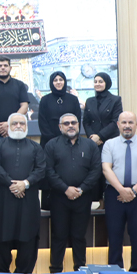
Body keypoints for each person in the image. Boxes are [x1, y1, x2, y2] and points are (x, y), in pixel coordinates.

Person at [43, 113, 102, 273]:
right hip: (59, 197)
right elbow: (49, 171)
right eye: (66, 123)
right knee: (58, 236)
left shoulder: (90, 145)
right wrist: (65, 189)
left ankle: (80, 271)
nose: (70, 126)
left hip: (83, 197)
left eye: (73, 123)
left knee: (79, 236)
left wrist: (81, 189)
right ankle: (55, 272)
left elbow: (96, 170)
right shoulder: (51, 145)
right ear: (60, 127)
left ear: (78, 125)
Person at [0, 114, 46, 274]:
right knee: (0, 236)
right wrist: (13, 185)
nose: (18, 126)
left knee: (28, 238)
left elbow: (41, 170)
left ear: (27, 126)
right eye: (14, 123)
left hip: (28, 202)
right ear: (8, 126)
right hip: (3, 202)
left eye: (22, 123)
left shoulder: (36, 147)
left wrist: (25, 184)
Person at [101, 111, 137, 272]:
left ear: (136, 125)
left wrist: (132, 191)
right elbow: (106, 169)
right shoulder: (109, 144)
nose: (127, 126)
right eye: (124, 122)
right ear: (118, 125)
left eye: (130, 122)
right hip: (114, 194)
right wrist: (121, 190)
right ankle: (115, 273)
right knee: (114, 236)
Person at [37, 71, 82, 209]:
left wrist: (67, 139)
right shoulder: (45, 100)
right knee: (49, 171)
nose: (58, 82)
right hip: (48, 142)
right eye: (55, 80)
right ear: (51, 83)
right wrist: (54, 142)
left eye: (61, 80)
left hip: (70, 142)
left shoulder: (73, 99)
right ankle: (48, 205)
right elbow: (42, 122)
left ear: (65, 82)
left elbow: (77, 120)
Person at [0, 57, 29, 146]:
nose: (3, 68)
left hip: (16, 132)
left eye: (5, 65)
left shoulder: (19, 85)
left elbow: (24, 106)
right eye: (0, 66)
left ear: (10, 68)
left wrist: (10, 124)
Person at [83, 72, 123, 148]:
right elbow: (86, 122)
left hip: (110, 140)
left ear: (107, 83)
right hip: (93, 142)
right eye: (95, 82)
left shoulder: (115, 100)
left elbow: (115, 121)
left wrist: (99, 136)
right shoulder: (89, 101)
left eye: (100, 82)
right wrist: (92, 137)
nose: (97, 84)